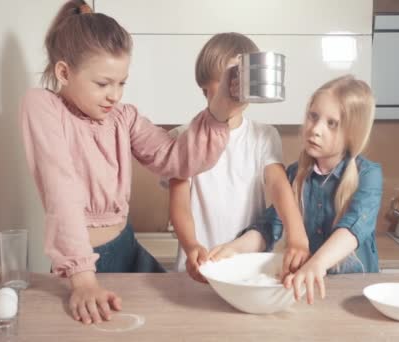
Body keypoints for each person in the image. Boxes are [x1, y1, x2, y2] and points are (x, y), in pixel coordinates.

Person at [20, 1, 242, 325]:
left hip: (128, 246)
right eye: (103, 83)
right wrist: (82, 280)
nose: (115, 95)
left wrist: (220, 109)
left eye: (121, 83)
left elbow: (176, 159)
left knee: (178, 322)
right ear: (64, 72)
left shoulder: (124, 117)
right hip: (84, 265)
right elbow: (60, 190)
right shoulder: (43, 108)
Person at [209, 75, 383, 304]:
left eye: (332, 123)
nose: (316, 129)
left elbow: (351, 231)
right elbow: (271, 225)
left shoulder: (368, 175)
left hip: (354, 295)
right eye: (313, 116)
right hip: (308, 291)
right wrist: (235, 249)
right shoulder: (295, 174)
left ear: (353, 134)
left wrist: (316, 264)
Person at [168, 33, 310, 283]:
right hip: (197, 268)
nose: (234, 88)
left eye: (240, 80)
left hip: (246, 268)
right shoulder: (182, 137)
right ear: (204, 88)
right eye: (227, 80)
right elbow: (179, 205)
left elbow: (278, 185)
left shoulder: (264, 136)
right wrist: (191, 246)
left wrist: (297, 235)